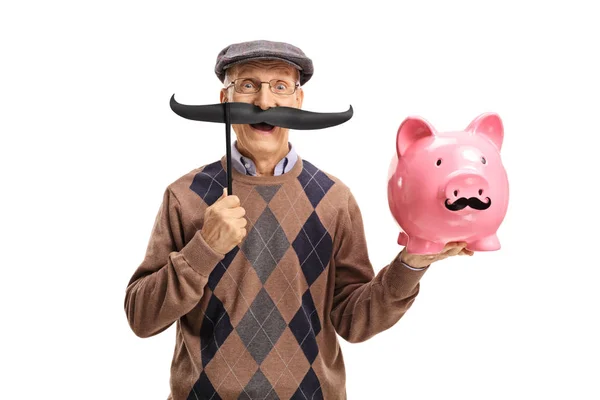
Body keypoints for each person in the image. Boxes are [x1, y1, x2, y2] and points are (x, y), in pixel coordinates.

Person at [124, 39, 472, 400]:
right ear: (225, 99)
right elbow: (142, 317)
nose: (264, 102)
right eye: (248, 85)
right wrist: (204, 248)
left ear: (298, 101)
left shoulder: (334, 200)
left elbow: (354, 321)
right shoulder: (185, 195)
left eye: (280, 87)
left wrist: (411, 265)